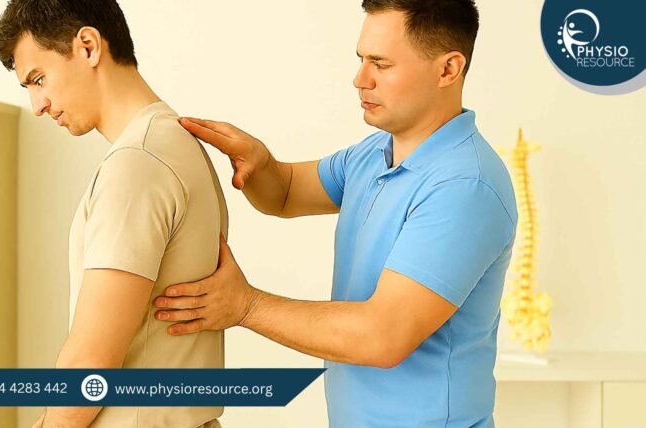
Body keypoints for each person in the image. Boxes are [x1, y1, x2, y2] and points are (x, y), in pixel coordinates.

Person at [153, 0, 517, 426]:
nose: (359, 79)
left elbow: (382, 336)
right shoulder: (373, 155)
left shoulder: (464, 186)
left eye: (380, 64)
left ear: (448, 69)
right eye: (361, 60)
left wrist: (245, 306)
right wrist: (259, 161)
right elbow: (286, 193)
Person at [0, 1, 228, 427]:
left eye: (39, 79)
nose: (37, 105)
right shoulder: (175, 140)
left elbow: (89, 363)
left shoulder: (138, 164)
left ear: (87, 46)